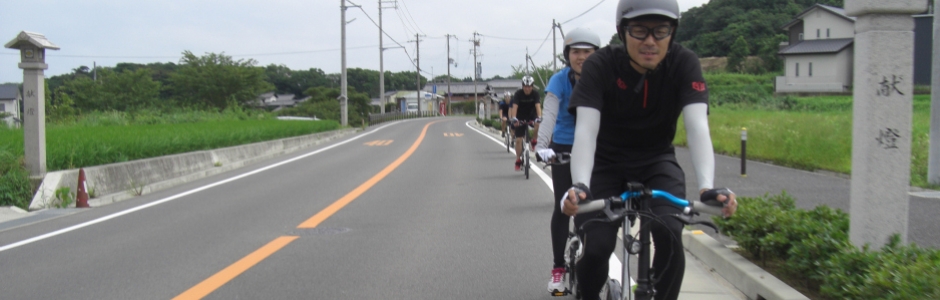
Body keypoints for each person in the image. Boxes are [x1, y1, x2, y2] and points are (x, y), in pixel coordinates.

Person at [560, 0, 739, 299]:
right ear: (622, 32)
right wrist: (580, 185)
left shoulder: (684, 62)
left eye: (661, 30)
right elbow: (586, 130)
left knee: (671, 235)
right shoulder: (600, 65)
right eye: (640, 30)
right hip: (605, 162)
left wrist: (707, 187)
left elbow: (697, 126)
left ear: (673, 32)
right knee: (598, 248)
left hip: (657, 160)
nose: (650, 41)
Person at [533, 27, 601, 295]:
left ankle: (592, 264)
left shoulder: (604, 78)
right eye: (576, 52)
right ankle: (558, 268)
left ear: (597, 54)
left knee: (593, 208)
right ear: (567, 55)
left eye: (587, 52)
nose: (581, 57)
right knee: (564, 207)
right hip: (563, 147)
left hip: (595, 146)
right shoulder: (559, 80)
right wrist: (542, 145)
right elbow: (549, 114)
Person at [510, 75, 541, 171]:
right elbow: (515, 107)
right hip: (520, 117)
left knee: (538, 123)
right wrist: (514, 118)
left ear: (532, 86)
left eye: (529, 86)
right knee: (518, 140)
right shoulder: (518, 94)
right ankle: (518, 159)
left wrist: (539, 117)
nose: (527, 89)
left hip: (532, 116)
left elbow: (538, 106)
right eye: (525, 86)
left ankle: (534, 140)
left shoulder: (535, 94)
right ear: (522, 86)